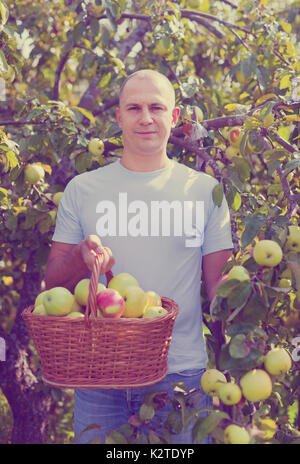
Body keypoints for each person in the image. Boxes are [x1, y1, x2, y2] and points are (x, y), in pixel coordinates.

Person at [45, 69, 233, 444]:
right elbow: (53, 285)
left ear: (174, 117)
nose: (145, 117)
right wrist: (83, 258)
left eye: (156, 107)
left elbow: (221, 291)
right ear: (118, 116)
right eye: (133, 108)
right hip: (99, 373)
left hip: (180, 375)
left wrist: (261, 284)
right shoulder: (83, 189)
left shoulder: (204, 190)